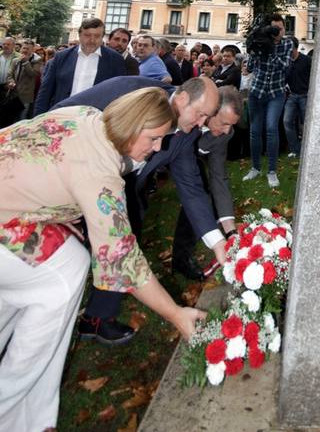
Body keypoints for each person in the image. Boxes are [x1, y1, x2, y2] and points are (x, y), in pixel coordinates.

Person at [0, 87, 204, 430]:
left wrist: (53, 212)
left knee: (46, 275)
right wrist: (175, 313)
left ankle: (26, 416)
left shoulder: (88, 116)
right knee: (64, 276)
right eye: (154, 138)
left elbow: (42, 163)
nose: (157, 148)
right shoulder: (101, 169)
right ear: (134, 123)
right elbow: (123, 259)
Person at [53, 74, 223, 344]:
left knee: (126, 237)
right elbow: (59, 118)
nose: (202, 124)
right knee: (62, 261)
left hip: (121, 187)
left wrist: (218, 243)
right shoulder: (127, 91)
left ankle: (96, 318)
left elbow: (191, 187)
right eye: (201, 114)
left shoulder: (185, 134)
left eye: (207, 118)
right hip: (67, 178)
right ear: (181, 98)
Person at [172, 86, 242, 279]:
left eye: (232, 125)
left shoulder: (225, 133)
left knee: (199, 197)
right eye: (224, 122)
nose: (228, 130)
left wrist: (231, 232)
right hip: (158, 152)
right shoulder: (189, 116)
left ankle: (181, 258)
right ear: (211, 111)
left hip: (188, 165)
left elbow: (219, 177)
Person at [34, 18, 127, 115]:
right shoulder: (61, 57)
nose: (92, 40)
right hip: (61, 115)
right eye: (87, 35)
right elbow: (45, 91)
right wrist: (37, 118)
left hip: (94, 120)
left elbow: (119, 95)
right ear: (80, 36)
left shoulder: (115, 60)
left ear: (103, 37)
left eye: (97, 36)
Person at [243, 13, 293, 188]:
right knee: (255, 131)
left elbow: (285, 66)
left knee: (272, 128)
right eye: (275, 28)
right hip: (256, 92)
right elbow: (249, 68)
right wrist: (255, 49)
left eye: (281, 28)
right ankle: (255, 168)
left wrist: (270, 50)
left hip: (276, 93)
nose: (279, 31)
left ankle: (272, 171)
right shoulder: (261, 40)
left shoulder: (287, 43)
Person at [283, 38, 312, 158]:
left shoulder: (307, 60)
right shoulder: (286, 62)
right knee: (287, 121)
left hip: (306, 95)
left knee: (306, 123)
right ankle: (295, 150)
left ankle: (307, 149)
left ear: (295, 48)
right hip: (293, 95)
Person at [3, 40, 43, 125]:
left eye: (28, 49)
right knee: (10, 118)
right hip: (13, 95)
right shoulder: (15, 60)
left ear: (32, 50)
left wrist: (25, 62)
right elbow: (9, 74)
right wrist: (11, 81)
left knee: (22, 120)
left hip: (25, 96)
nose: (25, 50)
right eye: (24, 48)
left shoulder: (37, 61)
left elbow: (33, 74)